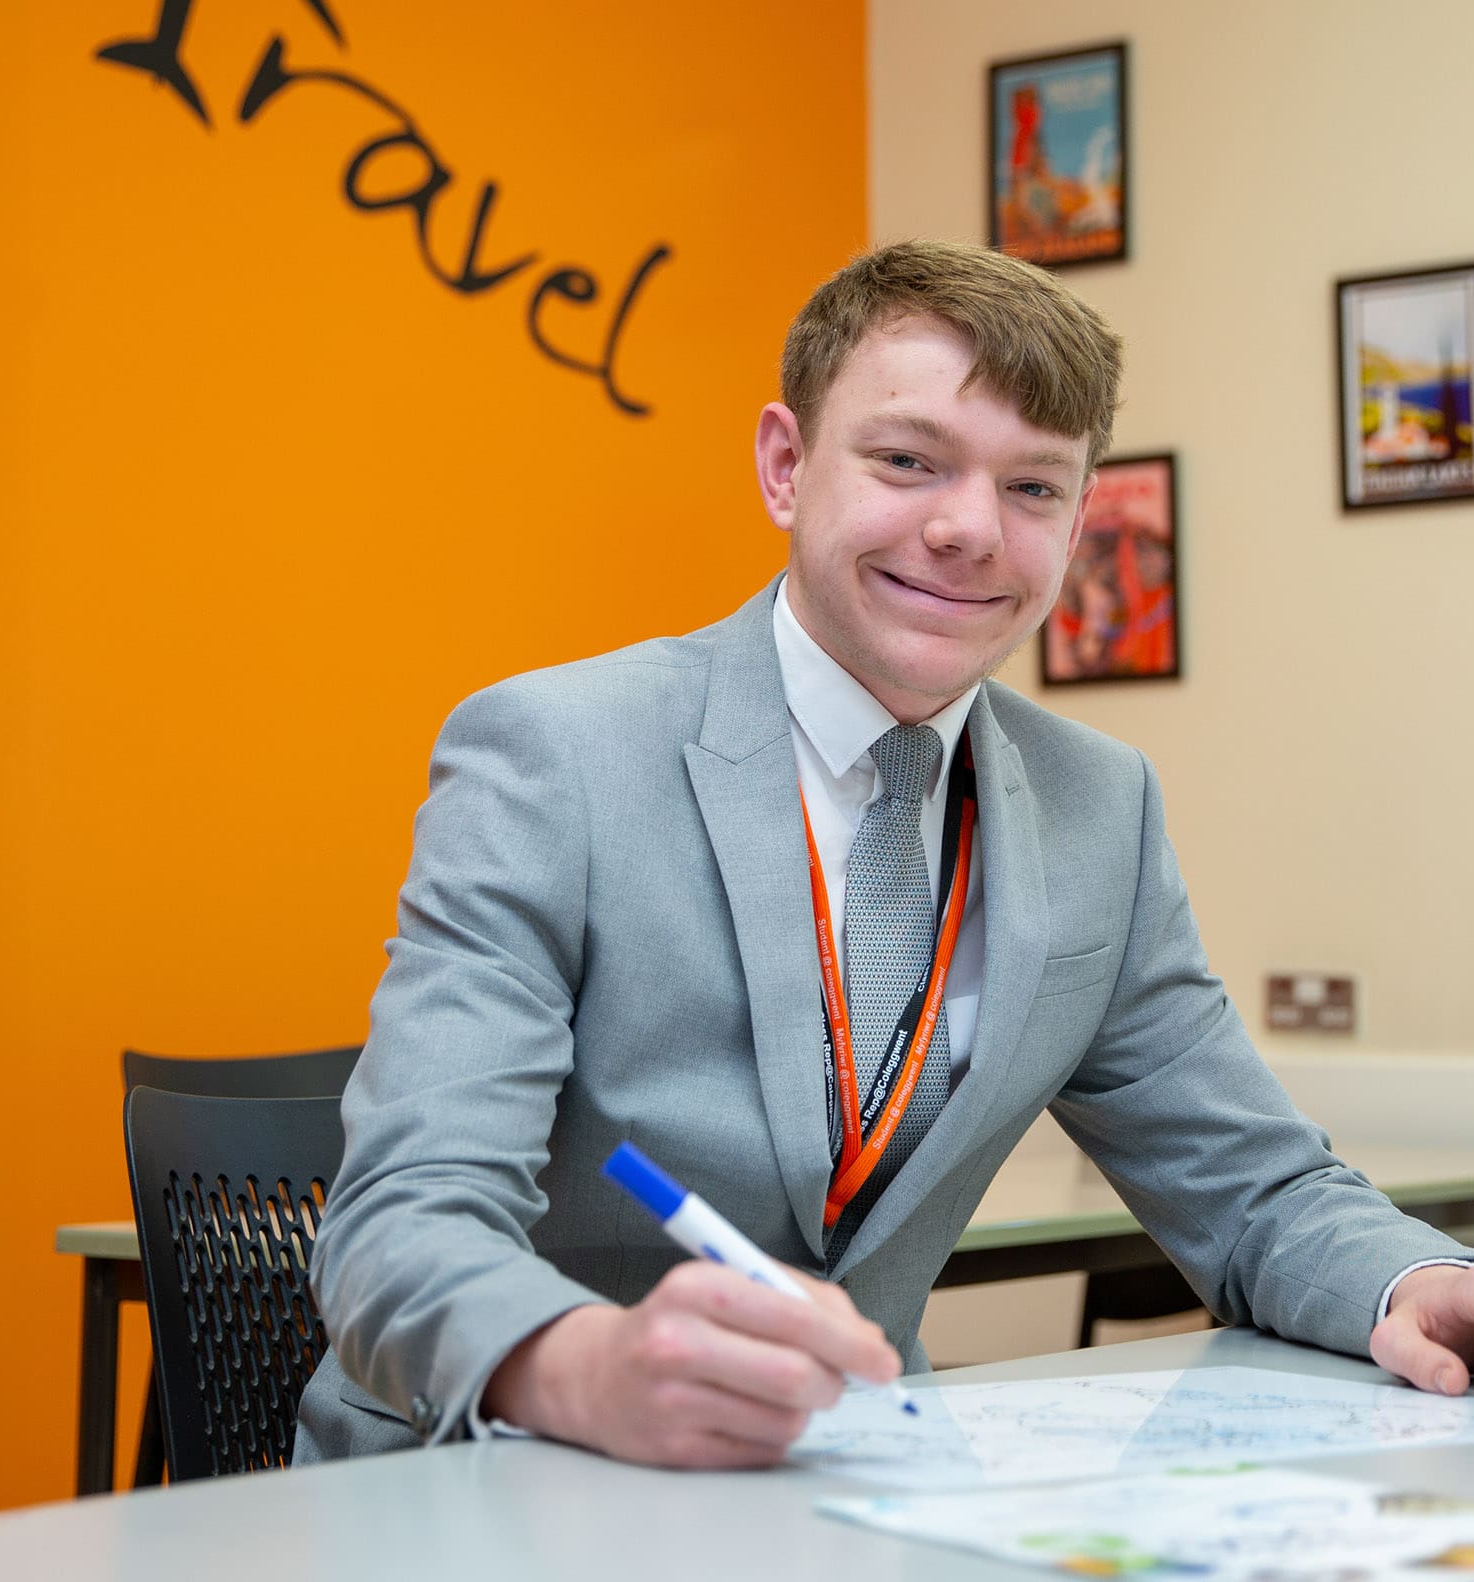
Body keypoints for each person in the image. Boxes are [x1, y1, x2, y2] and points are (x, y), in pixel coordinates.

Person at [292, 240, 1474, 1469]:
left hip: (847, 1486)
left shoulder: (1097, 806)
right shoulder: (556, 755)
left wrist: (1418, 1280)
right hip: (500, 1479)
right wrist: (582, 1365)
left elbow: (1253, 1189)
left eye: (1033, 488)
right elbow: (400, 1221)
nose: (968, 528)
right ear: (785, 466)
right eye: (908, 461)